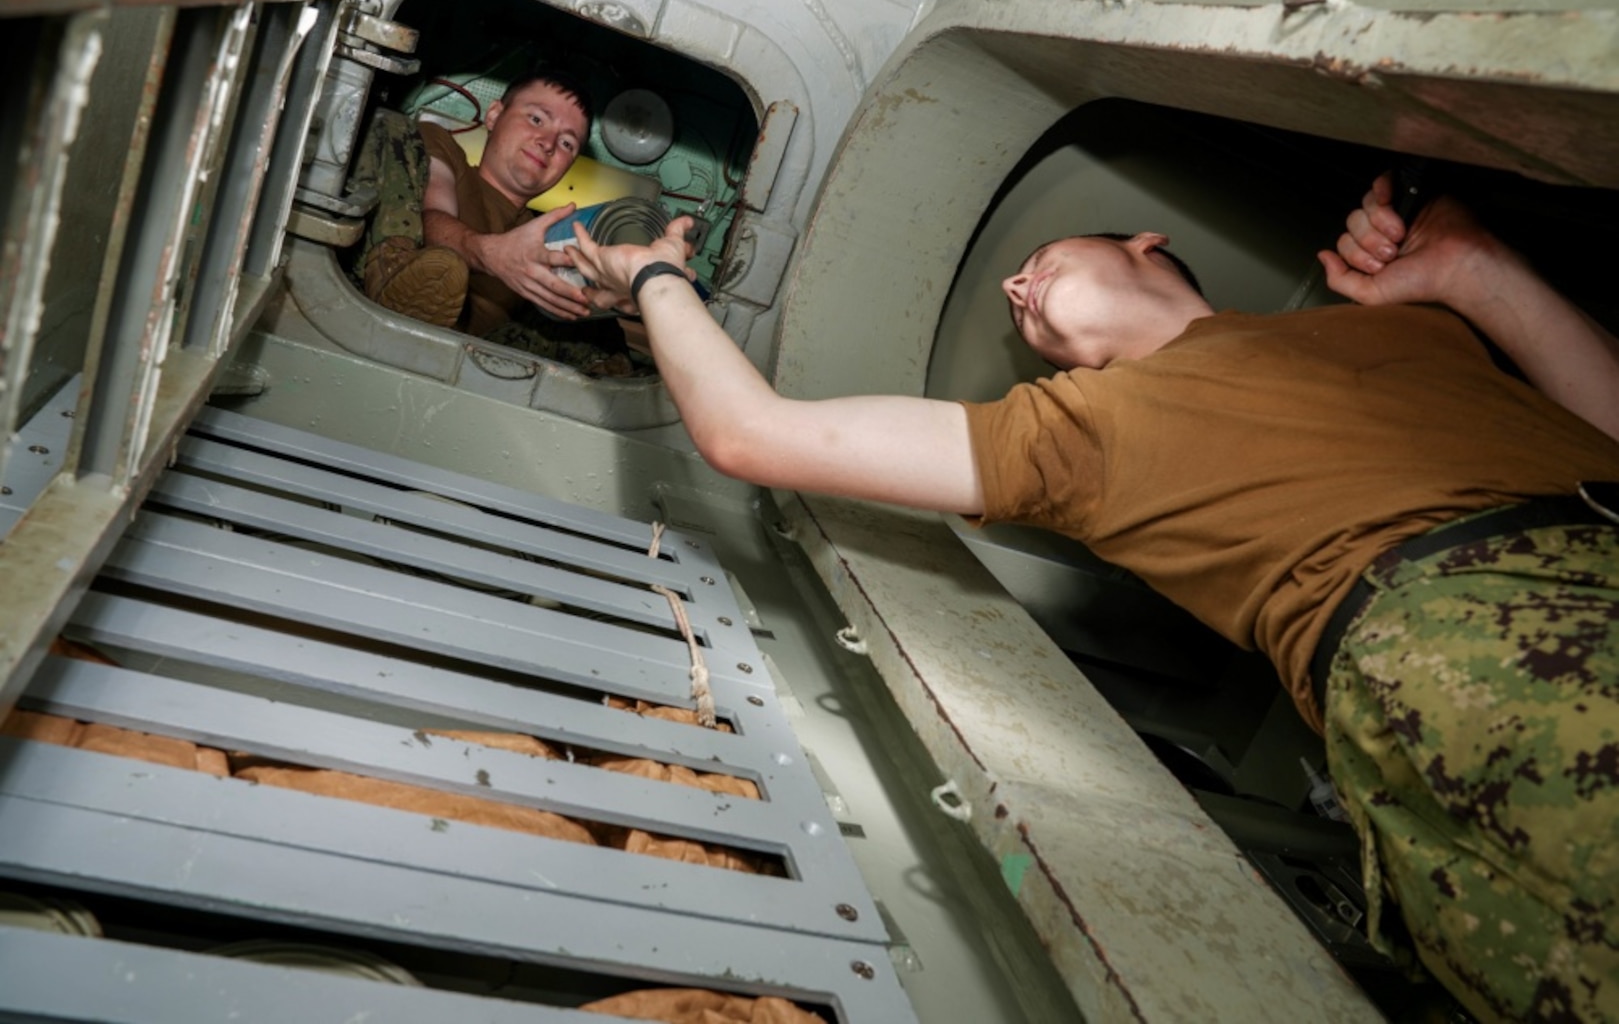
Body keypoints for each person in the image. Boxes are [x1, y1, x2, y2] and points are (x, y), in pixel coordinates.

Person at [568, 172, 1619, 1023]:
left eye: (1038, 264)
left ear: (1147, 246)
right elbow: (751, 434)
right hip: (1476, 643)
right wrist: (658, 275)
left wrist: (1477, 274)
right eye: (1018, 298)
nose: (1014, 291)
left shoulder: (1398, 328)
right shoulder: (1077, 432)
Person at [355, 66, 622, 337]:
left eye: (567, 143)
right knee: (392, 125)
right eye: (537, 119)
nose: (548, 143)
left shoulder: (549, 237)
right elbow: (433, 214)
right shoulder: (444, 148)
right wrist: (490, 254)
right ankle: (390, 265)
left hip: (480, 349)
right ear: (494, 115)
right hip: (388, 303)